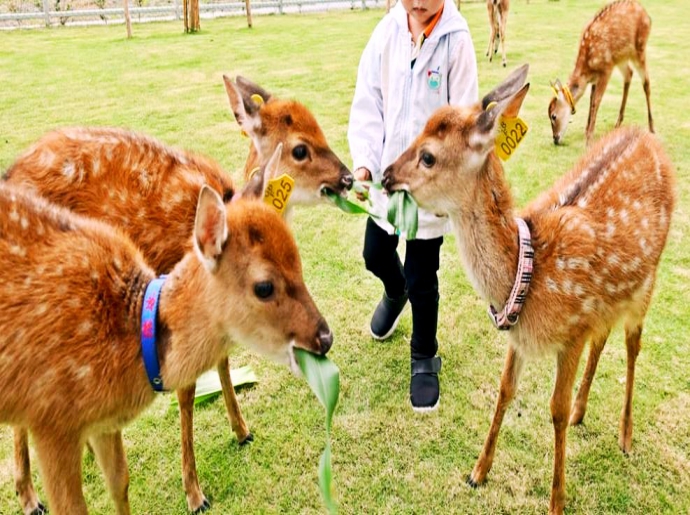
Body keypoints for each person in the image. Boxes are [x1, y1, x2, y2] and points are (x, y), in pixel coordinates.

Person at [348, 0, 478, 412]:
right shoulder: (386, 34)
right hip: (390, 177)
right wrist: (366, 161)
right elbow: (369, 102)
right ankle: (393, 289)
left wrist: (449, 186)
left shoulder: (456, 42)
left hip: (430, 186)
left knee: (424, 276)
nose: (418, 2)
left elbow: (465, 123)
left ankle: (424, 354)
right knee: (374, 254)